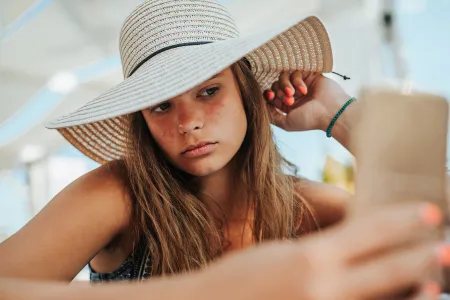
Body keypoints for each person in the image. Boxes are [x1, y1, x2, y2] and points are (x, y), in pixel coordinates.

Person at [0, 0, 447, 299]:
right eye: (161, 104)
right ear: (143, 121)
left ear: (247, 94)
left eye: (209, 91)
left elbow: (432, 246)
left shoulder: (305, 206)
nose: (188, 121)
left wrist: (339, 115)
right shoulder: (121, 193)